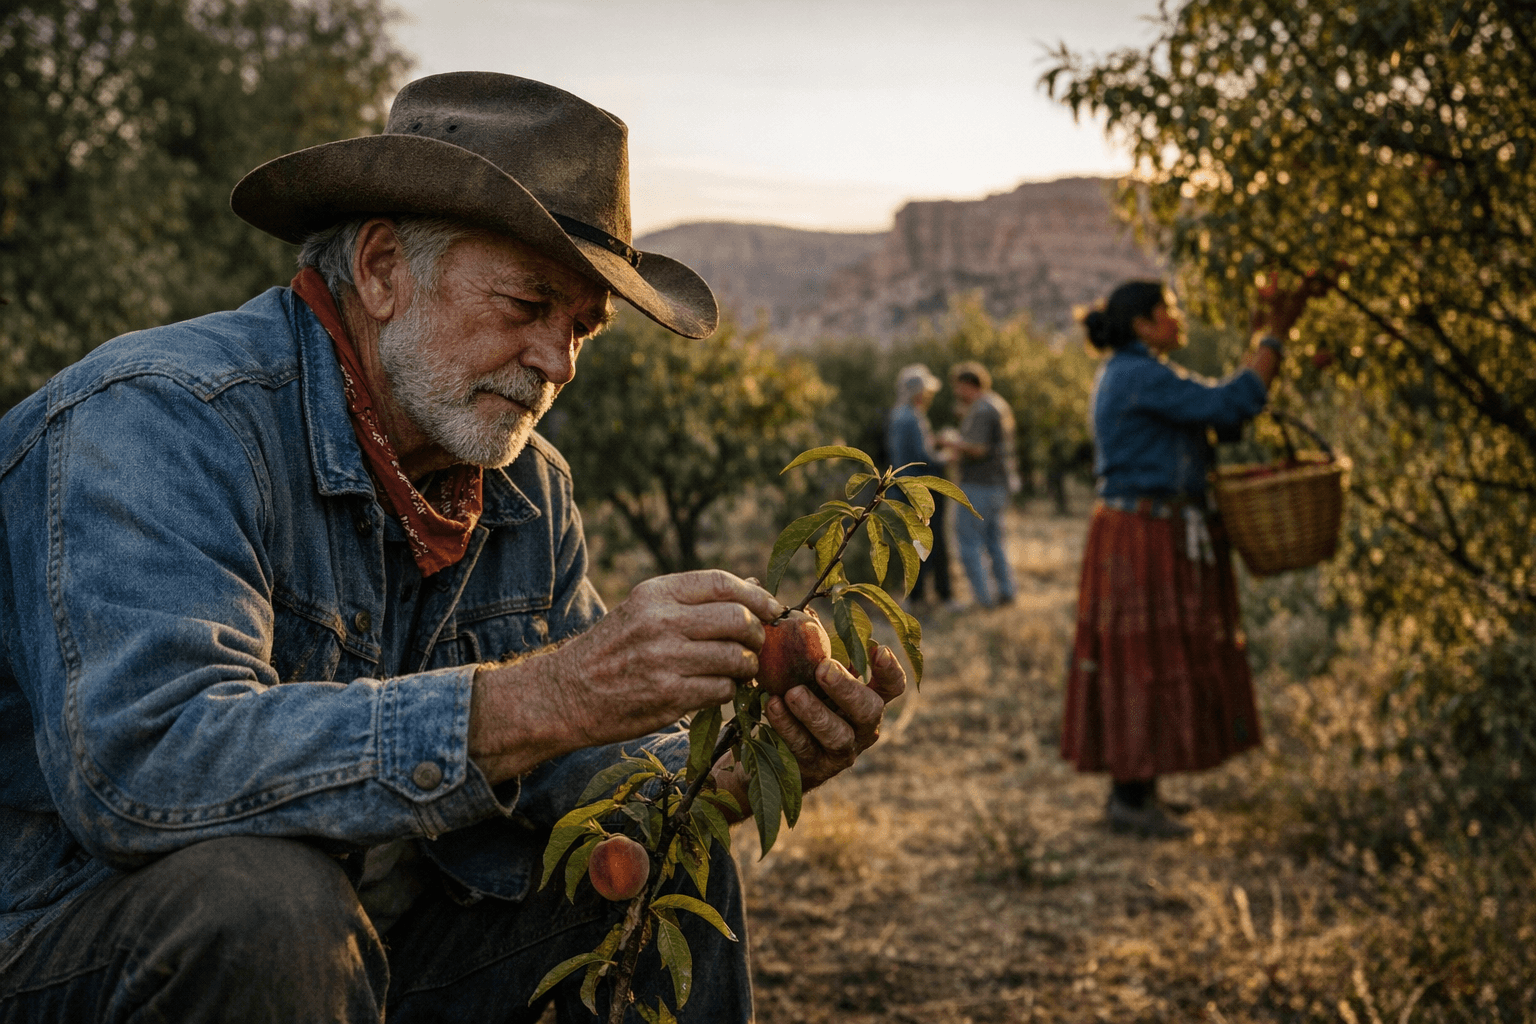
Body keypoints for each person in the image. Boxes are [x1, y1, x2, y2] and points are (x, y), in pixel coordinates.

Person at [0, 72, 904, 1023]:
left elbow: (567, 761)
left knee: (665, 860)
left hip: (368, 943)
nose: (556, 362)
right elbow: (145, 765)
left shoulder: (525, 487)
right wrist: (552, 692)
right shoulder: (160, 423)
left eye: (581, 330)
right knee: (265, 908)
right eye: (525, 305)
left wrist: (710, 776)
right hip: (70, 946)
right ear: (384, 268)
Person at [1060, 278, 1316, 839]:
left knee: (1148, 654)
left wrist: (1260, 341)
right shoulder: (1139, 374)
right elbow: (1232, 401)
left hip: (1145, 528)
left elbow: (1225, 419)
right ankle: (1131, 799)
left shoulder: (1139, 371)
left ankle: (1139, 792)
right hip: (1144, 531)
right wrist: (1275, 335)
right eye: (1169, 311)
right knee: (1145, 657)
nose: (1179, 320)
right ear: (1144, 324)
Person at [940, 361, 1019, 608]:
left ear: (969, 385)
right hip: (997, 484)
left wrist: (950, 443)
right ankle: (1006, 592)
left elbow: (979, 448)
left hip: (979, 485)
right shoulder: (996, 404)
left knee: (968, 542)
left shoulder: (983, 410)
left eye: (959, 387)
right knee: (995, 540)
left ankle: (982, 599)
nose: (957, 393)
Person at [885, 363, 956, 611]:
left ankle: (917, 596)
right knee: (932, 541)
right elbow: (923, 456)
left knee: (915, 542)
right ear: (919, 392)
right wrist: (948, 454)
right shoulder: (912, 417)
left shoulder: (898, 414)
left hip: (905, 488)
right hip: (922, 489)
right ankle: (942, 595)